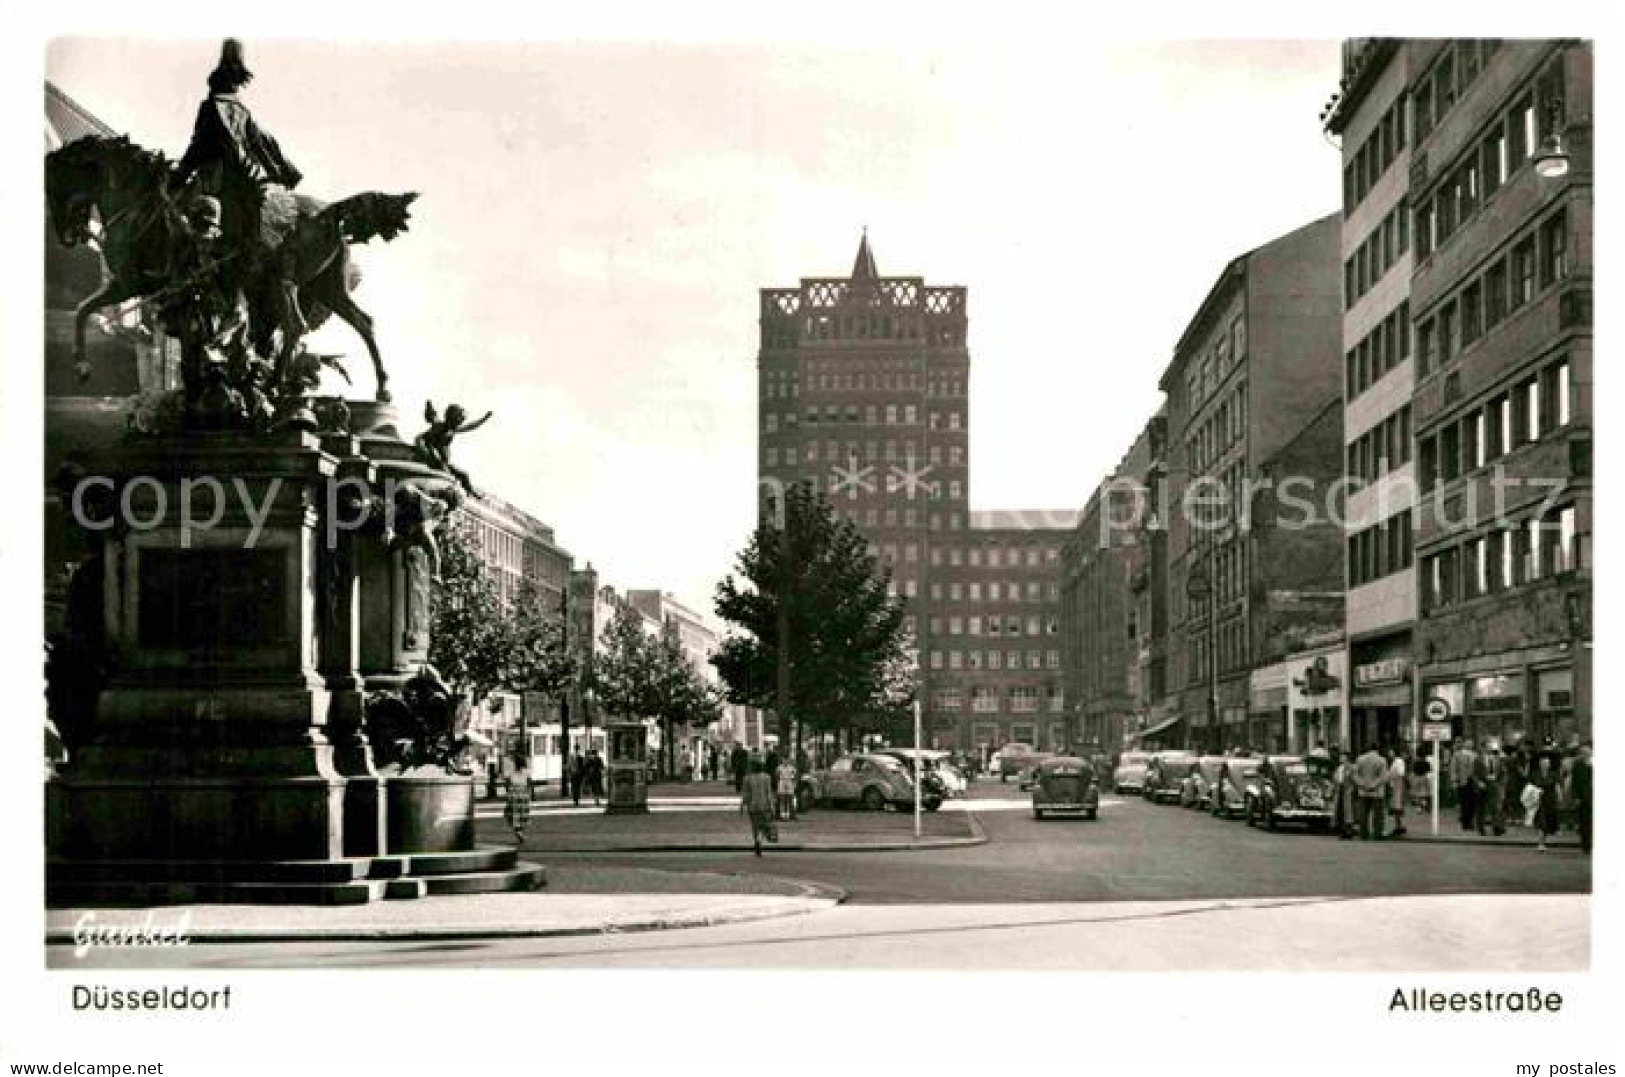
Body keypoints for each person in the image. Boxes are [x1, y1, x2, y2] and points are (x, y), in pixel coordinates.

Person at [740, 758, 776, 856]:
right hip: (764, 805)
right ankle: (760, 839)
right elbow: (768, 793)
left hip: (753, 806)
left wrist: (742, 805)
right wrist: (772, 806)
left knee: (755, 826)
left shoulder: (747, 778)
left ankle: (757, 840)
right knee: (763, 825)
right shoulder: (767, 777)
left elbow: (746, 794)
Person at [1353, 744, 1390, 840]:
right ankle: (1377, 834)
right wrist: (1373, 785)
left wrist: (1362, 784)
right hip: (1377, 792)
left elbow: (1355, 775)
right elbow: (1383, 777)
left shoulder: (1360, 759)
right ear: (1377, 750)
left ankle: (1363, 834)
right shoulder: (1382, 760)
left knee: (1363, 814)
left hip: (1363, 791)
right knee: (1378, 815)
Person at [1529, 751, 1562, 852]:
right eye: (1543, 763)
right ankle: (1540, 844)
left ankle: (1544, 841)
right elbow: (1529, 787)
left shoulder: (1553, 774)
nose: (1545, 765)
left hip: (1550, 800)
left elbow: (1557, 786)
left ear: (1549, 764)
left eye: (1547, 763)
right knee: (1541, 822)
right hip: (1538, 800)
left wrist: (1560, 796)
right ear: (1539, 764)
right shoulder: (1534, 774)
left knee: (1547, 822)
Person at [1475, 740, 1507, 836]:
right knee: (1482, 808)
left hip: (1494, 785)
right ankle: (1481, 828)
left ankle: (1496, 828)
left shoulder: (1497, 759)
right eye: (1487, 747)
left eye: (1490, 747)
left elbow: (1502, 772)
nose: (1489, 749)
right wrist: (1479, 782)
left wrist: (1501, 782)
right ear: (1482, 748)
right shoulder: (1478, 760)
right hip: (1482, 785)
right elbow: (1474, 774)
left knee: (1495, 807)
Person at [1567, 742, 1593, 855]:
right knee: (1585, 822)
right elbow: (1575, 783)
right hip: (1583, 798)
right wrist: (1576, 797)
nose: (1585, 754)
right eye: (1583, 752)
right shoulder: (1577, 765)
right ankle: (1586, 846)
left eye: (1587, 752)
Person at [1451, 737, 1478, 831]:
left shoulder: (1475, 755)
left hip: (1473, 781)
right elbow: (1454, 768)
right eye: (1468, 743)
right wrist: (1454, 780)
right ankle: (1465, 823)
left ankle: (1470, 822)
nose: (1470, 745)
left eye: (1472, 744)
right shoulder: (1457, 755)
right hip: (1462, 781)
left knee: (1473, 803)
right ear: (1465, 744)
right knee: (1464, 803)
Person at [1386, 748, 1408, 838]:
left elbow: (1401, 773)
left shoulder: (1398, 761)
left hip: (1397, 785)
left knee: (1397, 806)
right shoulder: (1395, 761)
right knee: (1395, 807)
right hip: (1395, 785)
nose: (1389, 753)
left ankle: (1399, 826)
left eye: (1390, 752)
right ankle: (1398, 825)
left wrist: (1391, 775)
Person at [775, 756, 798, 821]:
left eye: (786, 760)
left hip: (789, 782)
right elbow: (776, 775)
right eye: (783, 760)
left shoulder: (791, 768)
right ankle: (782, 815)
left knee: (789, 799)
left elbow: (795, 775)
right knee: (782, 799)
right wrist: (779, 781)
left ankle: (790, 815)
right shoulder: (779, 767)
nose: (785, 761)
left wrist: (793, 781)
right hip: (782, 782)